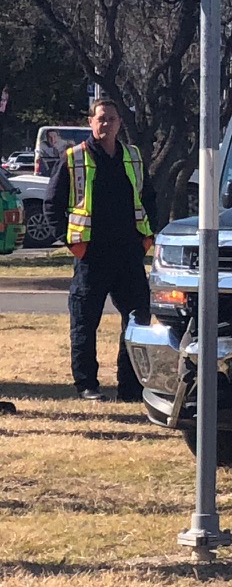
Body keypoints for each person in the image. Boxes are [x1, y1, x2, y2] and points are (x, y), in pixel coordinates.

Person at [50, 94, 154, 402]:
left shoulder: (133, 157)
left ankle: (130, 388)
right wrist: (73, 244)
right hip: (92, 257)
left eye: (111, 119)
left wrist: (147, 239)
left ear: (120, 123)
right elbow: (52, 205)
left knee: (137, 319)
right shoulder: (74, 157)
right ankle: (87, 385)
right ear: (90, 122)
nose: (106, 124)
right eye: (100, 119)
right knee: (85, 322)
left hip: (129, 255)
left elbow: (149, 198)